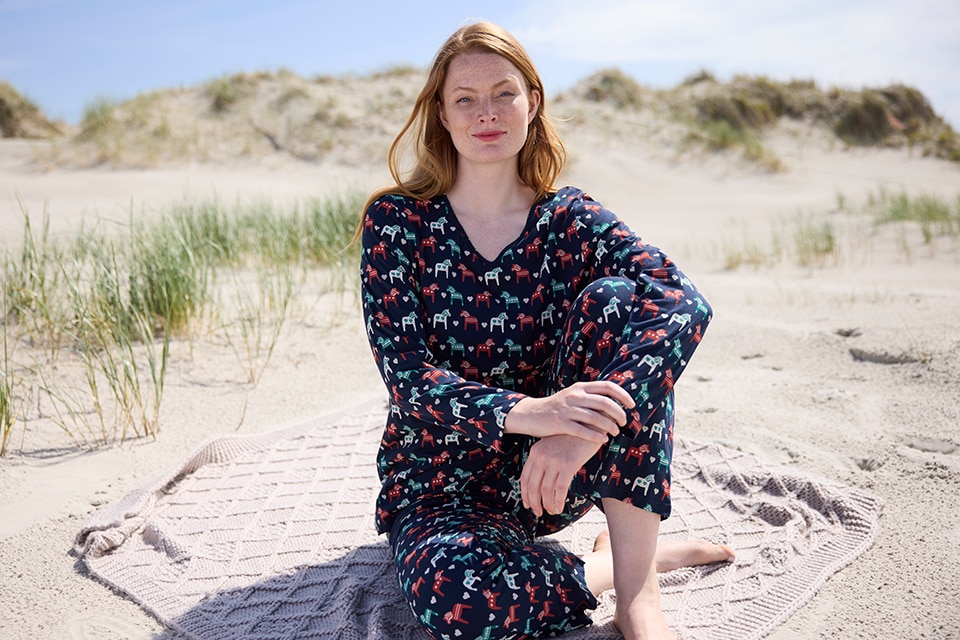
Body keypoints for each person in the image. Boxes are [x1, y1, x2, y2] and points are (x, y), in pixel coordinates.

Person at [358, 21, 733, 640]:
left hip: (552, 475)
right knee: (463, 602)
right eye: (465, 99)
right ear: (441, 116)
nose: (487, 113)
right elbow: (407, 377)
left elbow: (680, 300)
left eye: (504, 93)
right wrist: (536, 413)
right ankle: (603, 569)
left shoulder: (568, 217)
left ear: (533, 101)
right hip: (441, 484)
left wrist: (574, 434)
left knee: (621, 304)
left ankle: (638, 594)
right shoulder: (398, 222)